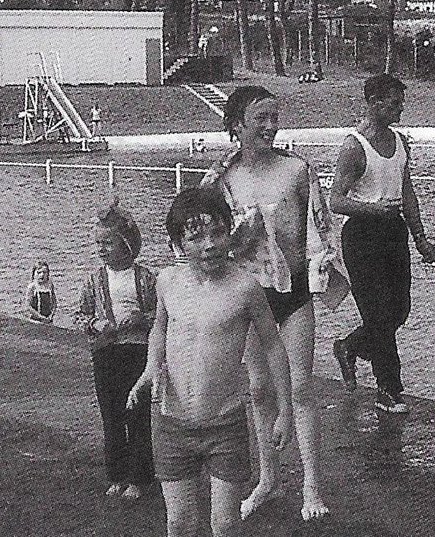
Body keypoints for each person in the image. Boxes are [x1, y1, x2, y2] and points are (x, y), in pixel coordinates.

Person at [127, 186, 292, 537]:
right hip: (172, 423)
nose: (210, 245)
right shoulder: (167, 282)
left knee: (225, 524)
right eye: (196, 238)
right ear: (178, 244)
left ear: (230, 232)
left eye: (218, 233)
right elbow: (160, 328)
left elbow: (273, 346)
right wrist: (151, 368)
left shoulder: (245, 287)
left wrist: (285, 410)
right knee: (179, 523)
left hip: (225, 424)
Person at [203, 86, 334, 521]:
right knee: (259, 390)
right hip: (248, 296)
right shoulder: (222, 179)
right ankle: (268, 478)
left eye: (274, 117)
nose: (271, 126)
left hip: (292, 292)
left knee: (300, 387)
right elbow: (203, 237)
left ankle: (312, 486)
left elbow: (319, 229)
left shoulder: (297, 169)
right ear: (236, 125)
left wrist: (322, 272)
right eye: (260, 118)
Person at [328, 73, 435, 414]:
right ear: (374, 103)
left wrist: (421, 237)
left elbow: (407, 192)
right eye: (394, 103)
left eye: (401, 102)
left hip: (394, 232)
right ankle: (389, 391)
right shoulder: (354, 147)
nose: (400, 109)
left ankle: (350, 346)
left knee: (399, 310)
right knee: (378, 314)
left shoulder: (401, 142)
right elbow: (335, 200)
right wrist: (374, 209)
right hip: (362, 235)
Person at [76, 201, 156, 501]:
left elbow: (160, 315)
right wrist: (95, 324)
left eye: (107, 243)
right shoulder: (94, 279)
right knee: (111, 415)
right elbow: (80, 315)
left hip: (137, 352)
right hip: (106, 352)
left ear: (126, 244)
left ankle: (139, 477)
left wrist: (141, 319)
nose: (101, 249)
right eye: (98, 243)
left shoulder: (145, 278)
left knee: (137, 414)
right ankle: (117, 474)